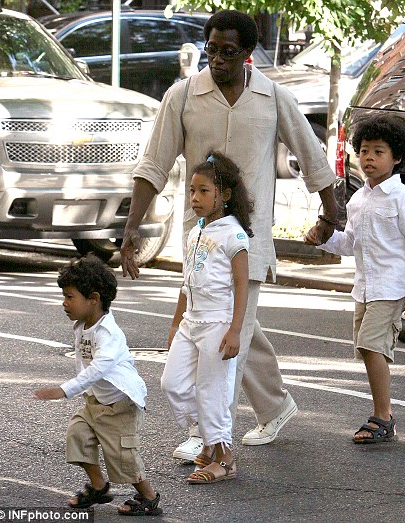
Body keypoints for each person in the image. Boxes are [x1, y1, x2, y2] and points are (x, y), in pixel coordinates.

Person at [121, 9, 339, 459]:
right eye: (211, 49)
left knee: (223, 338)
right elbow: (153, 165)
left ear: (247, 54)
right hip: (199, 240)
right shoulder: (182, 96)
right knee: (229, 324)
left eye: (228, 52)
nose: (217, 59)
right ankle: (275, 406)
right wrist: (130, 228)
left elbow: (311, 152)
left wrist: (331, 212)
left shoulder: (273, 97)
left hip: (247, 240)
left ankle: (210, 436)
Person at [305, 115, 405, 443]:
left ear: (397, 157)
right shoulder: (359, 199)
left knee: (370, 345)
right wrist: (325, 239)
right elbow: (351, 244)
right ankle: (384, 414)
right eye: (364, 151)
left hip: (391, 288)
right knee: (366, 350)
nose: (369, 158)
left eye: (379, 151)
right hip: (364, 288)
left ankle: (383, 416)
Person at [33, 254, 162, 516]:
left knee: (122, 457)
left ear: (93, 298)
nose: (64, 303)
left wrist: (64, 390)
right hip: (94, 402)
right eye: (64, 296)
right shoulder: (83, 325)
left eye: (70, 297)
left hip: (120, 405)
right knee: (77, 437)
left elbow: (98, 368)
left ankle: (148, 496)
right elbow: (84, 363)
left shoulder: (109, 333)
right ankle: (99, 486)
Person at [161, 151, 252, 483]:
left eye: (203, 191)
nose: (195, 198)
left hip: (218, 324)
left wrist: (235, 330)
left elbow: (242, 285)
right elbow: (186, 281)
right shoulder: (193, 232)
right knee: (172, 384)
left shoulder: (233, 235)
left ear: (224, 196)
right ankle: (208, 438)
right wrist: (176, 321)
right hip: (191, 321)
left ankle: (224, 458)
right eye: (192, 191)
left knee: (212, 391)